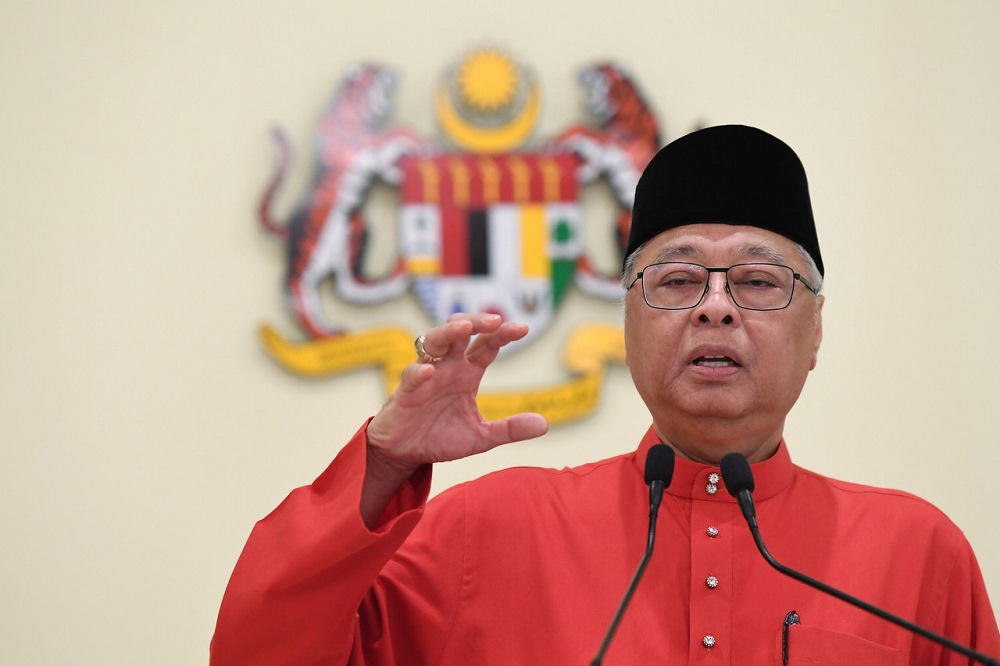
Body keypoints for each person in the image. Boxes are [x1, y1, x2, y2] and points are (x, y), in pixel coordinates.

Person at [211, 125, 1000, 664]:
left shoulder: (918, 552)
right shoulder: (485, 533)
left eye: (759, 280)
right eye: (678, 278)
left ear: (816, 330)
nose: (715, 306)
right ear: (630, 322)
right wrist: (384, 466)